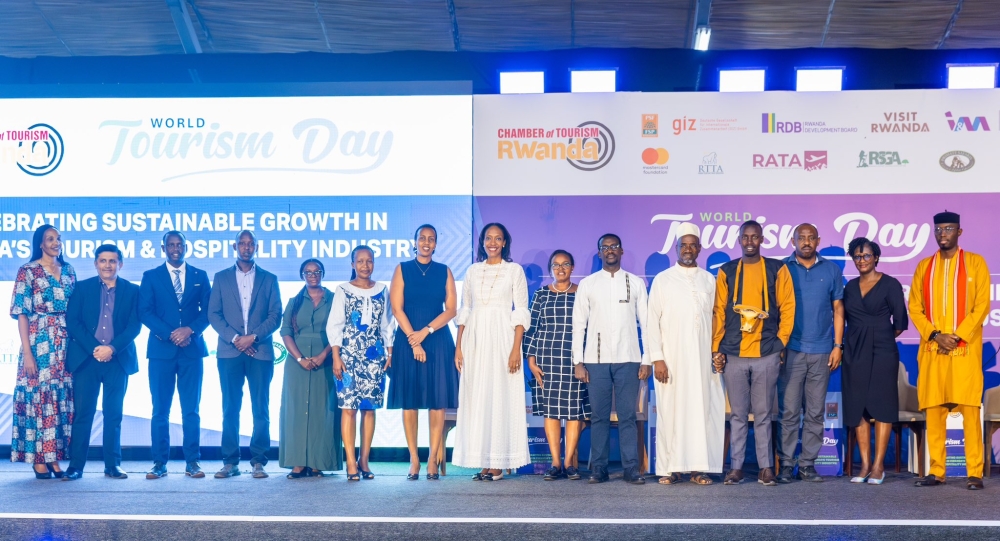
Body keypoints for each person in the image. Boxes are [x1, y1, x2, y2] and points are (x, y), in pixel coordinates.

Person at [908, 211, 990, 490]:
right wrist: (935, 334)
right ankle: (936, 471)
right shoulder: (923, 267)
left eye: (949, 229)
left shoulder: (976, 263)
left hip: (964, 350)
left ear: (959, 232)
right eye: (939, 229)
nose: (943, 234)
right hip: (933, 349)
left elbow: (981, 306)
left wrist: (957, 336)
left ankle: (974, 472)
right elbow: (915, 307)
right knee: (934, 409)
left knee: (969, 409)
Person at [712, 220, 795, 487]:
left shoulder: (777, 268)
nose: (750, 241)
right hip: (734, 353)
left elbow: (788, 306)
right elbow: (719, 312)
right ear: (739, 239)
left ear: (762, 239)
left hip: (767, 352)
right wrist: (717, 348)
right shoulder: (727, 271)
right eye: (745, 237)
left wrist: (781, 342)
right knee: (737, 414)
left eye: (754, 237)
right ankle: (735, 468)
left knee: (762, 414)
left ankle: (766, 468)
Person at [647, 223, 724, 486]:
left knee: (702, 411)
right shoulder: (663, 279)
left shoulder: (708, 280)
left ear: (699, 248)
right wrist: (657, 357)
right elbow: (651, 321)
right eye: (683, 245)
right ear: (676, 248)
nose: (688, 249)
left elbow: (715, 319)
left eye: (693, 245)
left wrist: (716, 352)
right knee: (671, 411)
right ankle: (670, 468)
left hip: (702, 359)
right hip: (671, 359)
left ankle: (698, 468)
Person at [453, 223, 531, 480]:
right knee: (478, 397)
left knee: (500, 396)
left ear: (505, 242)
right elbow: (465, 310)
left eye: (498, 238)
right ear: (482, 242)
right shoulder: (473, 271)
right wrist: (459, 347)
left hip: (502, 338)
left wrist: (515, 349)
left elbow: (520, 311)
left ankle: (498, 461)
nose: (493, 242)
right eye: (488, 238)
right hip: (475, 339)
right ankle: (483, 461)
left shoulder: (514, 270)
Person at [573, 233, 651, 485]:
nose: (609, 251)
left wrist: (647, 358)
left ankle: (631, 468)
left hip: (629, 358)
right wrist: (578, 361)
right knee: (599, 417)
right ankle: (599, 468)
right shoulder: (588, 284)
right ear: (599, 253)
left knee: (628, 415)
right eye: (604, 247)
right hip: (595, 359)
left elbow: (646, 324)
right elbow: (578, 325)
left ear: (621, 251)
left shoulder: (635, 282)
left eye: (614, 246)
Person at [208, 230, 282, 479]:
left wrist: (254, 337)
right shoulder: (220, 278)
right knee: (230, 407)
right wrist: (237, 339)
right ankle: (230, 462)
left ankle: (259, 461)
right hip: (229, 352)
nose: (246, 247)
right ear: (235, 246)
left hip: (260, 352)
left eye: (251, 244)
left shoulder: (269, 279)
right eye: (242, 243)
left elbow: (275, 315)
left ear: (257, 247)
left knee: (260, 407)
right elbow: (213, 314)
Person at [138, 231, 212, 479]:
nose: (175, 248)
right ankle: (159, 463)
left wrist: (189, 330)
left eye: (179, 244)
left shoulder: (200, 276)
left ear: (186, 247)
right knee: (160, 410)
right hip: (161, 351)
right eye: (171, 244)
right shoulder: (150, 276)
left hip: (192, 350)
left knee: (191, 410)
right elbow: (145, 312)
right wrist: (172, 334)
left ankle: (193, 462)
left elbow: (209, 311)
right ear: (164, 248)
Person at [63, 244, 141, 480]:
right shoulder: (82, 288)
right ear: (96, 263)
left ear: (121, 264)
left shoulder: (132, 291)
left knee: (113, 414)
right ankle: (76, 466)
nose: (108, 265)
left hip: (118, 360)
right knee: (83, 414)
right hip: (87, 360)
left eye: (113, 261)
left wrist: (112, 349)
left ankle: (112, 465)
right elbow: (73, 322)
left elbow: (134, 326)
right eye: (103, 261)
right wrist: (95, 349)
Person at [388, 224, 459, 480]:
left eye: (431, 239)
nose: (426, 242)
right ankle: (414, 459)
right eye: (422, 238)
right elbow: (397, 309)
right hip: (408, 340)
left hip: (437, 338)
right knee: (410, 401)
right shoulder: (402, 269)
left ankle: (432, 459)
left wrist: (426, 332)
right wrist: (414, 341)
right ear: (415, 242)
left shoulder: (444, 271)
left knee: (437, 401)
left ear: (436, 244)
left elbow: (451, 309)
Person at [776, 224, 845, 483]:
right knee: (789, 411)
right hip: (790, 350)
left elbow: (838, 310)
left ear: (818, 240)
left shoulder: (831, 270)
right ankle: (785, 464)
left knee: (815, 412)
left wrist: (838, 346)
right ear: (792, 240)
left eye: (810, 238)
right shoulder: (781, 268)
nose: (806, 242)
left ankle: (807, 465)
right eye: (800, 238)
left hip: (821, 352)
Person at [9, 225, 76, 479]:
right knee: (39, 400)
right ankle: (39, 458)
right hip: (39, 343)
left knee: (60, 401)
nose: (56, 242)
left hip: (66, 344)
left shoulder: (68, 270)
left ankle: (54, 457)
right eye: (50, 239)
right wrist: (27, 353)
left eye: (58, 238)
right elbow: (22, 314)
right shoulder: (28, 271)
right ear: (40, 243)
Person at [841, 237, 908, 485]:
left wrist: (879, 337)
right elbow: (843, 317)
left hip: (883, 350)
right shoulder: (849, 287)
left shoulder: (890, 284)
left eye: (867, 256)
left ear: (876, 257)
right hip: (854, 350)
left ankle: (879, 466)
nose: (862, 260)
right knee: (857, 405)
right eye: (857, 257)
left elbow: (900, 324)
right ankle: (865, 465)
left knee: (882, 406)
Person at [327, 247, 394, 481]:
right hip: (347, 357)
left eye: (369, 261)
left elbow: (387, 324)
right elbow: (335, 324)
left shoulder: (382, 290)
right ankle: (350, 462)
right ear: (352, 263)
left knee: (369, 408)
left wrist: (390, 351)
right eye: (360, 261)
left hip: (374, 358)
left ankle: (364, 460)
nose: (365, 265)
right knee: (349, 409)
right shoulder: (342, 290)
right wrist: (336, 356)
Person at [525, 249, 589, 481]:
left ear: (572, 268)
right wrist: (531, 360)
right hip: (546, 359)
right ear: (550, 269)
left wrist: (583, 360)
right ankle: (555, 463)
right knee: (551, 412)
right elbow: (532, 329)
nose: (560, 269)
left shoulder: (582, 294)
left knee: (573, 413)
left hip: (574, 360)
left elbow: (588, 328)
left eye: (565, 264)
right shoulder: (541, 295)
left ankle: (570, 463)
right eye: (556, 265)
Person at [279, 259, 341, 479]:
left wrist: (324, 355)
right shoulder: (294, 302)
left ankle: (318, 462)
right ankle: (297, 463)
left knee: (322, 410)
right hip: (297, 363)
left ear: (323, 274)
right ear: (302, 275)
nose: (313, 275)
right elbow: (285, 331)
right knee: (295, 410)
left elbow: (339, 330)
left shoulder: (335, 300)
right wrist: (299, 358)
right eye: (308, 272)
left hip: (327, 359)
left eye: (317, 271)